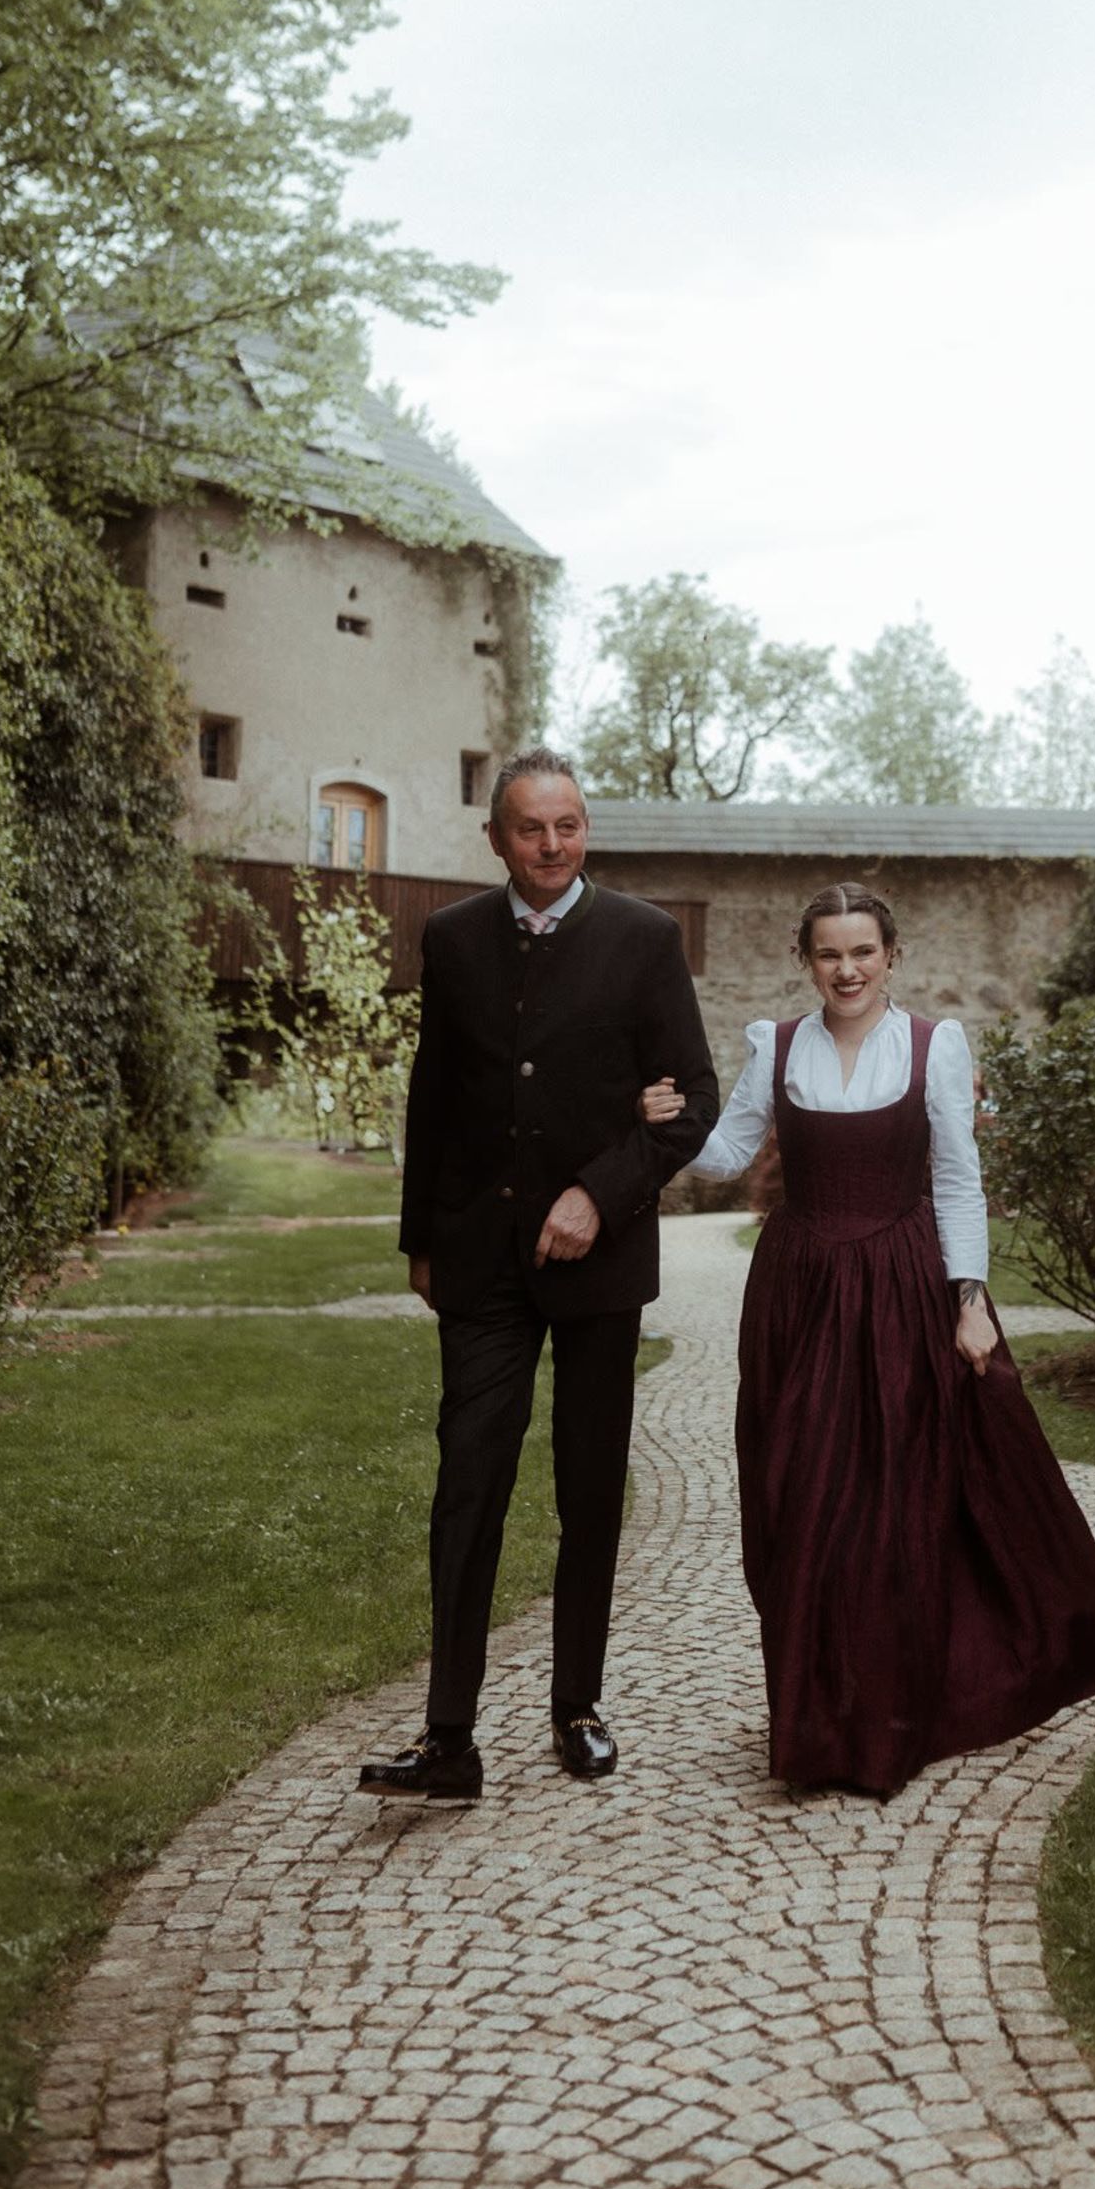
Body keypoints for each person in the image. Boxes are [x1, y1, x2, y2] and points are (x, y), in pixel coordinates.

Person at [642, 880, 1095, 1797]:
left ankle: (882, 1722)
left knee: (893, 1500)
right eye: (829, 953)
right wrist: (670, 1122)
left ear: (891, 955)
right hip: (798, 1290)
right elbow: (725, 1155)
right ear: (806, 959)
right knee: (797, 1493)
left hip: (901, 1287)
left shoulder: (932, 1044)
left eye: (863, 951)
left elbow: (956, 1178)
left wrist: (970, 1299)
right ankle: (816, 1718)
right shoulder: (776, 1045)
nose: (847, 969)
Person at [358, 748, 716, 1804]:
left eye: (567, 825)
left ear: (585, 829)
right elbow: (433, 1094)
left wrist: (598, 1194)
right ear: (497, 839)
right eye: (530, 828)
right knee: (468, 1482)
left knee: (589, 1486)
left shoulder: (646, 940)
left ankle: (578, 1707)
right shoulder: (453, 938)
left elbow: (692, 1101)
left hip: (601, 1261)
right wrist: (422, 1240)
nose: (552, 845)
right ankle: (449, 1739)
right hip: (482, 1260)